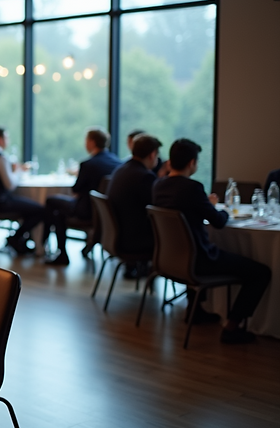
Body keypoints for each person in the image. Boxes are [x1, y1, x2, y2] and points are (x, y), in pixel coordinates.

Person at [152, 139, 272, 344]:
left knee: (190, 246)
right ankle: (232, 327)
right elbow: (217, 222)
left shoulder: (158, 185)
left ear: (171, 161)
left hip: (169, 260)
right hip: (200, 261)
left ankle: (195, 310)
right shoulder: (192, 188)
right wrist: (217, 207)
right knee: (261, 273)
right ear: (192, 163)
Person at [43, 128, 122, 265]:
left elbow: (76, 189)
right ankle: (82, 247)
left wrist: (78, 175)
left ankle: (50, 247)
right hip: (108, 213)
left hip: (86, 211)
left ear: (91, 142)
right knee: (58, 210)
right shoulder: (117, 163)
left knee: (52, 204)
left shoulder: (88, 164)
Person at [107, 134, 162, 280]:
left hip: (117, 237)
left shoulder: (120, 170)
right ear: (152, 155)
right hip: (135, 241)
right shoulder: (144, 176)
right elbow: (157, 206)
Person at [0, 128, 43, 254]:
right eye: (7, 138)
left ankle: (20, 240)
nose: (8, 141)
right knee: (39, 210)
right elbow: (10, 185)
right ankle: (15, 238)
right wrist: (17, 171)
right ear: (0, 140)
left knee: (28, 207)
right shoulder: (1, 158)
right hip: (2, 202)